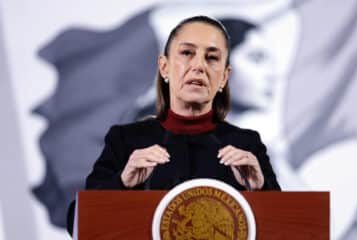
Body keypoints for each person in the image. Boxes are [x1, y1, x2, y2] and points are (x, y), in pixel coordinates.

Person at [67, 15, 280, 236]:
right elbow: (78, 224)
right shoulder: (126, 140)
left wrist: (260, 189)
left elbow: (289, 225)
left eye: (212, 58)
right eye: (187, 54)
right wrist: (121, 183)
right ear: (164, 67)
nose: (198, 66)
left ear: (224, 77)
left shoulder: (247, 144)